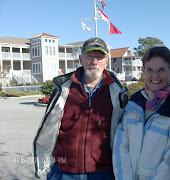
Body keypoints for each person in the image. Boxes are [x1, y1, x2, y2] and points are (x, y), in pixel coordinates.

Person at [33, 37, 128, 179]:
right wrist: (46, 168)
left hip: (103, 173)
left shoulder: (117, 93)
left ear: (106, 62)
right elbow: (48, 130)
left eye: (100, 57)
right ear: (80, 59)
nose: (95, 62)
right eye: (89, 56)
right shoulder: (63, 90)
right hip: (64, 172)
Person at [112, 46, 170, 180]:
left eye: (161, 70)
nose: (155, 76)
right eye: (149, 70)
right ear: (143, 71)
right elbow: (121, 146)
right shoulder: (134, 102)